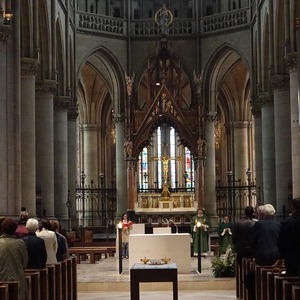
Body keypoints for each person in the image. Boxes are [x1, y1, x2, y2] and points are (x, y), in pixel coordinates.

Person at [0, 217, 28, 300]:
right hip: (17, 277)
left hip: (1, 279)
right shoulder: (20, 243)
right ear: (15, 229)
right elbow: (25, 262)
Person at [278, 198, 300, 276]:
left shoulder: (287, 222)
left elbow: (281, 241)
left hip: (291, 258)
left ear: (293, 208)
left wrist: (281, 256)